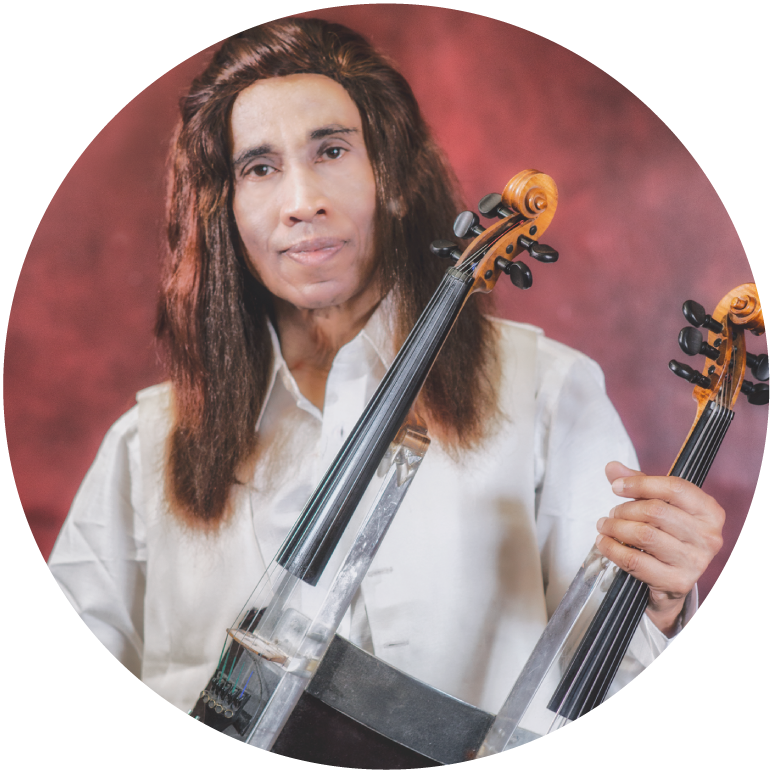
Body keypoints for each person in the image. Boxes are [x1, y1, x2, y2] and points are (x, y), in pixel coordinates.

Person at [47, 18, 724, 722]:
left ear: (393, 178)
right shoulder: (145, 442)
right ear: (226, 211)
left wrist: (660, 603)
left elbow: (600, 684)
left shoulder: (550, 393)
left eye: (332, 150)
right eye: (259, 167)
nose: (300, 200)